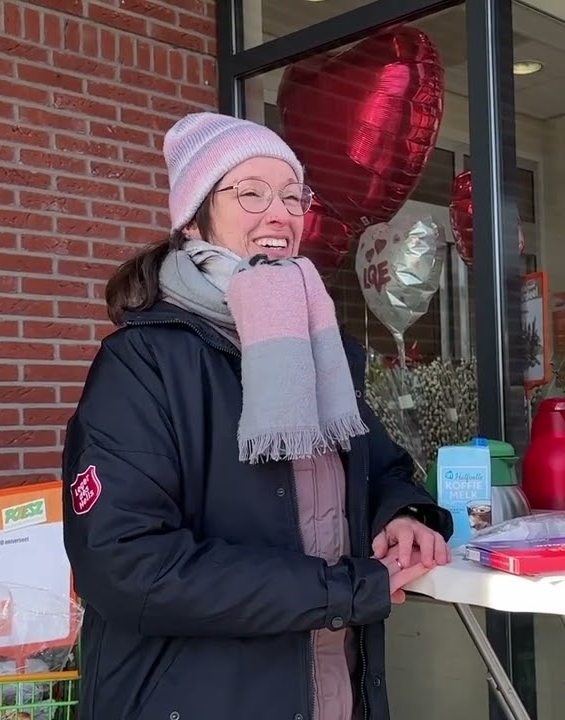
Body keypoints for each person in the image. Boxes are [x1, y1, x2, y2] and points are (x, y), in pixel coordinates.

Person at [60, 112, 455, 720]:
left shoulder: (320, 346)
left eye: (294, 196)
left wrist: (400, 511)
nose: (281, 214)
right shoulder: (144, 363)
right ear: (194, 218)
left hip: (333, 692)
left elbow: (377, 467)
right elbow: (127, 566)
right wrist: (343, 590)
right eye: (251, 193)